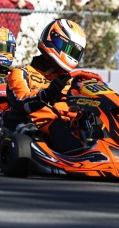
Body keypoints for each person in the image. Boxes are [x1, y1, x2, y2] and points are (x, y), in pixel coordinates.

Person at [7, 19, 93, 153]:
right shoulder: (22, 73)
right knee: (58, 125)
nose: (71, 55)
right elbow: (21, 102)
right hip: (41, 129)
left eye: (75, 53)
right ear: (54, 40)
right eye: (69, 50)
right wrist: (47, 94)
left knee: (97, 120)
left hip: (72, 126)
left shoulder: (71, 80)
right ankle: (81, 155)